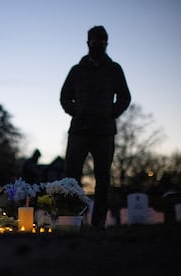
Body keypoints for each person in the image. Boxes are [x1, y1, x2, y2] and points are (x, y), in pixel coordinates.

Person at [60, 26, 131, 229]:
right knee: (71, 177)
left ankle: (98, 223)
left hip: (104, 132)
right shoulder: (77, 70)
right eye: (94, 40)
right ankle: (72, 221)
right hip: (79, 131)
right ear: (88, 42)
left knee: (103, 179)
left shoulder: (114, 69)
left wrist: (111, 113)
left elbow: (125, 97)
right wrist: (77, 111)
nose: (98, 43)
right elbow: (65, 96)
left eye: (102, 40)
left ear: (106, 43)